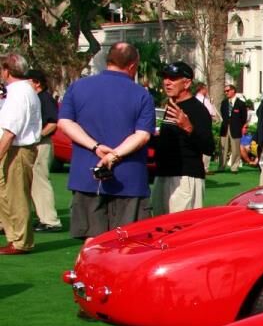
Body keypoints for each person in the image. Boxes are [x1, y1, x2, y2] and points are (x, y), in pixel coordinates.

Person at [57, 42, 155, 239]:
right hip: (129, 179)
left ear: (107, 61)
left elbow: (64, 122)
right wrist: (114, 154)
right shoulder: (142, 95)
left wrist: (95, 147)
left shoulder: (78, 87)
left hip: (88, 176)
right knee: (127, 243)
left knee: (91, 241)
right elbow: (142, 135)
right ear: (133, 65)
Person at [150, 61, 214, 214]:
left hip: (185, 177)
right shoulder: (172, 106)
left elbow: (209, 147)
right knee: (159, 228)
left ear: (186, 83)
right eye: (165, 78)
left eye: (172, 78)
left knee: (179, 231)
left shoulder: (197, 109)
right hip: (163, 175)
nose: (167, 82)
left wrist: (188, 127)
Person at [0, 53, 41, 254]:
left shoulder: (19, 93)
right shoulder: (22, 91)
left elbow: (10, 131)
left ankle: (20, 240)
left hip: (18, 149)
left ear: (7, 71)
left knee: (16, 195)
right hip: (17, 147)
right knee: (7, 194)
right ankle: (15, 236)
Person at [28, 69, 63, 233]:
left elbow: (53, 122)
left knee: (39, 181)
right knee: (33, 182)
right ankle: (42, 218)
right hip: (35, 144)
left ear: (37, 82)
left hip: (41, 144)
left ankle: (50, 220)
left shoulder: (44, 98)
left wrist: (38, 136)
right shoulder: (35, 98)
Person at [217, 82, 248, 172]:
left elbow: (243, 118)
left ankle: (234, 167)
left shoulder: (241, 104)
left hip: (236, 128)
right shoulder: (224, 103)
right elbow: (223, 114)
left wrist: (240, 127)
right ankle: (221, 166)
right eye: (225, 91)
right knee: (223, 148)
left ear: (233, 91)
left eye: (227, 91)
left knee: (235, 149)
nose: (226, 93)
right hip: (225, 128)